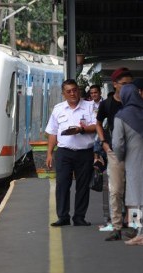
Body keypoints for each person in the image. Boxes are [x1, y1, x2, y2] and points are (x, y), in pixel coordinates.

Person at [112, 84, 143, 246]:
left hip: (134, 158)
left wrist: (120, 158)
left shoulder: (122, 116)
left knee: (142, 197)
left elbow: (117, 143)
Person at [45, 79, 96, 227]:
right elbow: (53, 132)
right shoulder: (58, 109)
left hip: (85, 152)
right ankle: (63, 216)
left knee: (83, 185)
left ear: (78, 91)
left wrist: (83, 129)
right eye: (68, 91)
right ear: (63, 94)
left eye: (75, 90)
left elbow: (97, 126)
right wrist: (49, 153)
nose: (72, 93)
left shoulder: (89, 106)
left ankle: (79, 217)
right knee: (62, 185)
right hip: (64, 153)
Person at [96, 67, 133, 241]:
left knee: (135, 190)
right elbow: (98, 122)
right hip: (114, 152)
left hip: (135, 152)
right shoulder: (107, 104)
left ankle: (133, 225)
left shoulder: (136, 102)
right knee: (116, 190)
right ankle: (117, 227)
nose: (128, 87)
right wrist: (103, 142)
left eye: (130, 84)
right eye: (124, 84)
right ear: (115, 84)